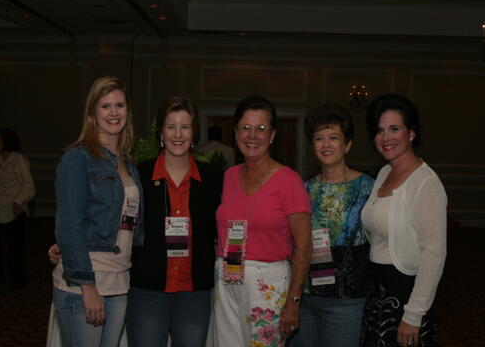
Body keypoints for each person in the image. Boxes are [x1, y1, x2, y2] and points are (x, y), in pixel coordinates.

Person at [211, 95, 312, 347]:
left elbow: (304, 248)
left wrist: (294, 301)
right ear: (235, 133)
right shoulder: (229, 176)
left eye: (261, 128)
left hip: (268, 285)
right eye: (245, 128)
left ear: (272, 135)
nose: (252, 135)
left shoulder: (289, 181)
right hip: (227, 279)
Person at [51, 76, 144, 347]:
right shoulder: (78, 158)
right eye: (105, 106)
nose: (114, 113)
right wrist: (88, 287)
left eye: (120, 105)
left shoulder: (128, 163)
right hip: (85, 283)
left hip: (119, 281)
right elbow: (69, 225)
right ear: (93, 112)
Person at [125, 96, 223, 347]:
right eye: (171, 126)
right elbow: (116, 221)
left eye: (185, 126)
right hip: (147, 289)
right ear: (161, 131)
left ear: (194, 133)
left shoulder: (213, 179)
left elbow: (229, 224)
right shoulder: (140, 175)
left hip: (194, 292)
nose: (177, 134)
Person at [361, 93, 447, 347]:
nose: (386, 138)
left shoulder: (425, 182)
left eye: (394, 129)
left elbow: (434, 253)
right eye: (379, 131)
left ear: (411, 133)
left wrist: (414, 314)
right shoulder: (384, 172)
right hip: (377, 295)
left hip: (407, 297)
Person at [289, 104, 374, 347]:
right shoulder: (304, 188)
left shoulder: (368, 188)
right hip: (306, 296)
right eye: (319, 138)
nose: (326, 144)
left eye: (333, 137)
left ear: (347, 144)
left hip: (346, 300)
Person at [0, 127, 35, 289]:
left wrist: (18, 202)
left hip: (14, 210)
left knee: (15, 248)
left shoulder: (19, 160)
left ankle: (18, 281)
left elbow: (29, 186)